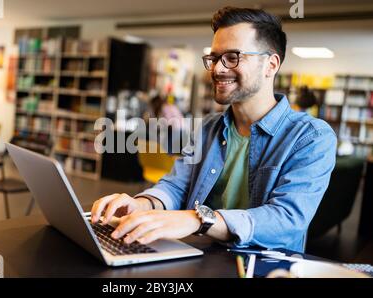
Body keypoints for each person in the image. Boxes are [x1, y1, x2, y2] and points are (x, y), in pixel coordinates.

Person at [91, 6, 337, 252]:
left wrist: (198, 219)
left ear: (270, 65)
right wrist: (145, 204)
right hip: (199, 256)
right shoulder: (208, 127)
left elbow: (286, 219)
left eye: (232, 57)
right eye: (215, 57)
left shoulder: (311, 137)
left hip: (263, 266)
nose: (217, 69)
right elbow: (178, 185)